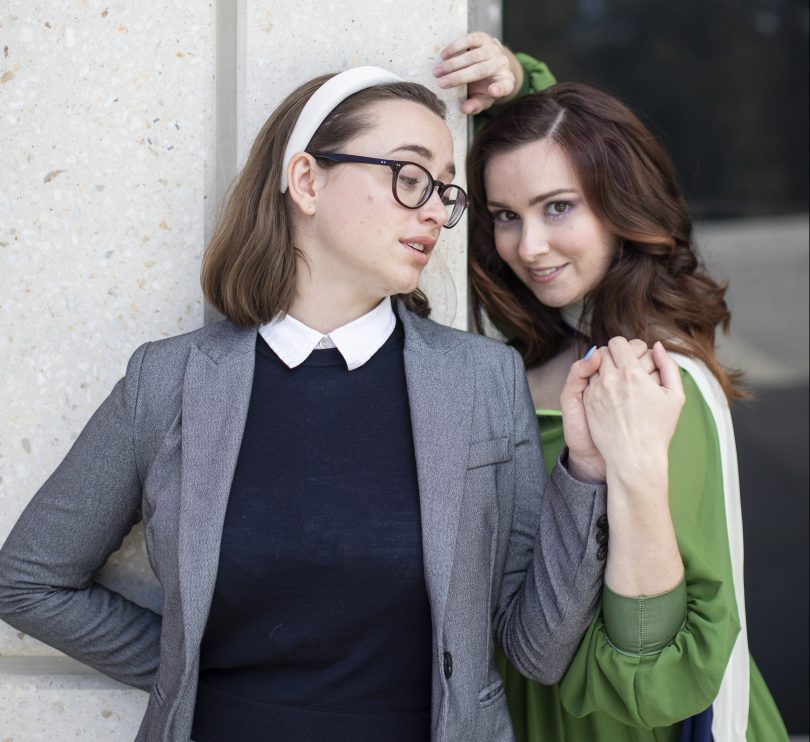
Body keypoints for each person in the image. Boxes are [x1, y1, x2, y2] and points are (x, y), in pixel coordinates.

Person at [0, 64, 683, 742]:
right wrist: (184, 663)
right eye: (409, 176)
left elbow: (535, 647)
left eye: (445, 191)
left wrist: (585, 471)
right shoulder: (171, 380)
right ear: (306, 181)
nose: (434, 213)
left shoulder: (480, 379)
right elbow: (29, 581)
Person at [433, 32, 788, 742]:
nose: (527, 246)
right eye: (506, 216)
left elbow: (653, 673)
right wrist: (515, 83)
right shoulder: (530, 364)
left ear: (621, 204)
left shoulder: (651, 384)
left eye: (558, 208)